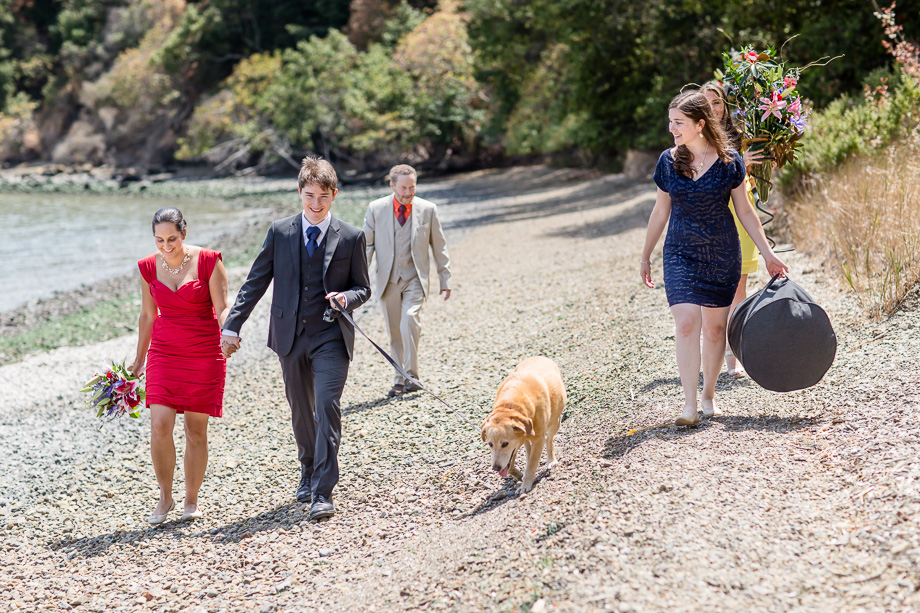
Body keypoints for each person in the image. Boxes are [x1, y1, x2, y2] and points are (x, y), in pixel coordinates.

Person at [220, 156, 371, 520]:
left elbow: (363, 288)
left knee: (326, 406)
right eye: (308, 196)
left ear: (334, 195)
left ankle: (322, 490)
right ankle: (307, 468)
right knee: (302, 412)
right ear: (299, 193)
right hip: (288, 336)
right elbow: (255, 281)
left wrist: (345, 298)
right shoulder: (280, 231)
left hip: (332, 336)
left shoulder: (351, 237)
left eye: (322, 196)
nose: (315, 204)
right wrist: (232, 325)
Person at [640, 91, 788, 426]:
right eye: (671, 122)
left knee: (716, 328)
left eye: (679, 123)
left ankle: (708, 394)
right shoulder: (668, 161)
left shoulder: (728, 162)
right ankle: (689, 405)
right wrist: (645, 256)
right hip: (679, 252)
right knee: (687, 322)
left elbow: (747, 212)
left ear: (700, 124)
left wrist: (768, 254)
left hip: (721, 252)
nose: (672, 128)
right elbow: (660, 211)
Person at [129, 207, 230, 525]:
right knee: (159, 425)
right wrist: (138, 359)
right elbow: (147, 315)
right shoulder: (147, 267)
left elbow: (223, 307)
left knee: (196, 430)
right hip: (164, 351)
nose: (166, 246)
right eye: (159, 240)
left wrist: (229, 335)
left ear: (184, 234)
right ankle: (165, 496)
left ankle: (191, 499)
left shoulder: (210, 261)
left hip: (203, 352)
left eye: (172, 238)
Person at [363, 164, 452, 398]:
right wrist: (357, 279)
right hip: (388, 281)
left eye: (412, 187)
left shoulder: (428, 209)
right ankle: (399, 379)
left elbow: (439, 245)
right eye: (404, 188)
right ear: (392, 185)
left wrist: (445, 277)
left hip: (415, 279)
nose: (408, 192)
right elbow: (367, 246)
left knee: (409, 321)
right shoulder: (375, 209)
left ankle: (412, 376)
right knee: (394, 333)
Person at [700, 80, 764, 377]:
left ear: (725, 105)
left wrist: (750, 163)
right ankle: (722, 350)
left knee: (741, 283)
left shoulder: (741, 135)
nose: (712, 108)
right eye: (707, 102)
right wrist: (739, 161)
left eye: (717, 102)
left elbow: (748, 173)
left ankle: (737, 353)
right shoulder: (697, 137)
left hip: (743, 210)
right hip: (716, 213)